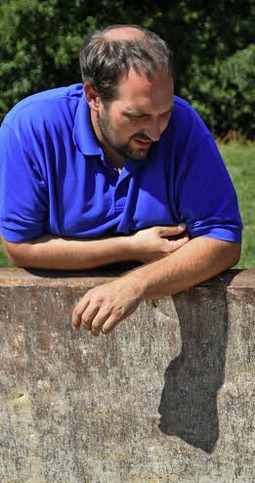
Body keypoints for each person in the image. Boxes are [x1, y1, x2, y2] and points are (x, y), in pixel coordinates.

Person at [0, 25, 242, 336]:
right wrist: (131, 248)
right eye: (138, 116)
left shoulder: (184, 124)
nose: (156, 132)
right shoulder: (30, 128)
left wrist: (137, 283)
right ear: (93, 97)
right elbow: (21, 246)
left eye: (164, 112)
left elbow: (223, 240)